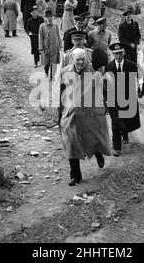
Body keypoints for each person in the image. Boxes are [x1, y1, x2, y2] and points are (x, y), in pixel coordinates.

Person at [59, 48, 110, 186]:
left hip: (88, 112)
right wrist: (60, 112)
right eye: (78, 60)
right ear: (73, 60)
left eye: (83, 59)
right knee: (70, 142)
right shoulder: (65, 72)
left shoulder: (92, 73)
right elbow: (61, 92)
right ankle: (75, 175)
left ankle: (97, 152)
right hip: (70, 113)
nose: (80, 62)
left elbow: (99, 91)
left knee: (90, 137)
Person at [104, 43, 140, 156]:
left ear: (124, 52)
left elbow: (134, 82)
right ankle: (116, 147)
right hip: (114, 99)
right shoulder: (109, 67)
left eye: (120, 53)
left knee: (125, 119)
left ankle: (125, 134)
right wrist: (107, 100)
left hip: (127, 98)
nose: (118, 56)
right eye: (116, 54)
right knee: (115, 123)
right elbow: (107, 85)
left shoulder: (131, 66)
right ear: (112, 54)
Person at [38, 7, 62, 78]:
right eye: (47, 17)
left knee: (53, 62)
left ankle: (52, 76)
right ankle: (46, 71)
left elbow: (58, 36)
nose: (49, 18)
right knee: (47, 62)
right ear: (45, 17)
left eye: (50, 17)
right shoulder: (42, 26)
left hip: (54, 46)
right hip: (46, 47)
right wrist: (41, 47)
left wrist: (60, 45)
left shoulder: (55, 26)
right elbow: (40, 37)